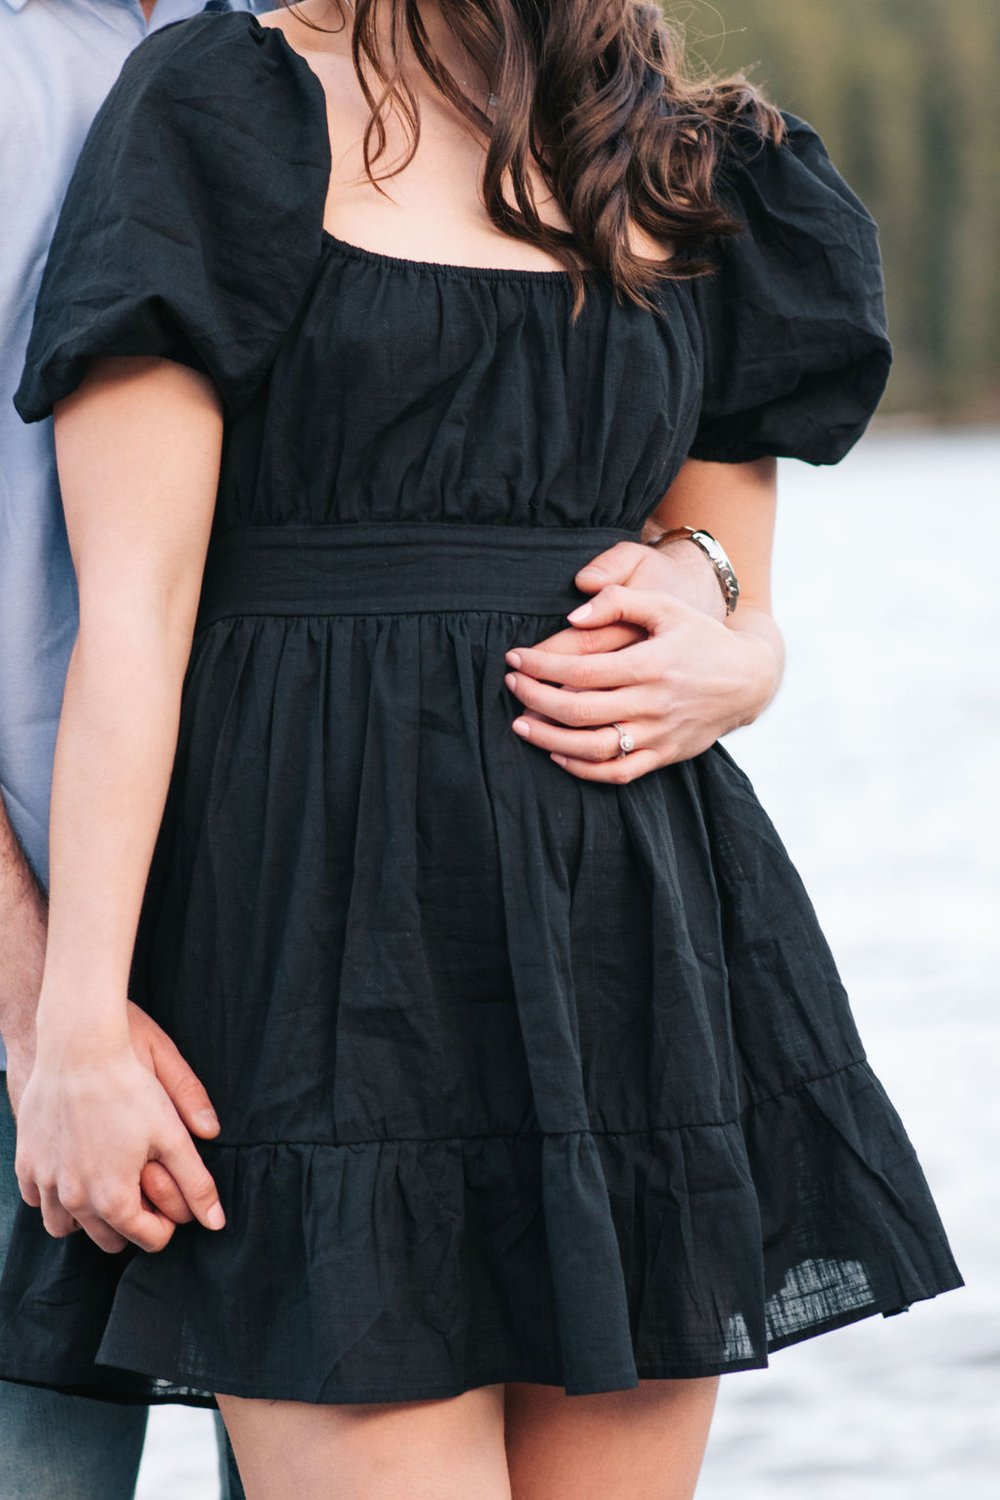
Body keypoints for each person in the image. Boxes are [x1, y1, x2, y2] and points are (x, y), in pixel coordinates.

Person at [0, 1, 964, 1496]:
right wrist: (75, 1028)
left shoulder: (691, 158)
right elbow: (136, 614)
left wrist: (733, 635)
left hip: (627, 960)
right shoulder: (220, 109)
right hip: (319, 963)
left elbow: (723, 583)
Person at [0, 1, 263, 1495]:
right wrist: (44, 1012)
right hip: (22, 965)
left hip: (334, 984)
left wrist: (721, 593)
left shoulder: (383, 45)